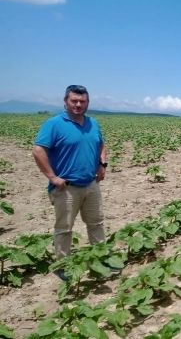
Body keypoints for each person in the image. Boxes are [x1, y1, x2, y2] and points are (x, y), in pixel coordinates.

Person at [33, 85, 108, 281]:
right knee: (64, 228)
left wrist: (102, 164)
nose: (78, 104)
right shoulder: (54, 124)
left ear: (87, 103)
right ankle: (63, 265)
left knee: (96, 223)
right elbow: (38, 150)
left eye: (82, 101)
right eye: (74, 101)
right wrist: (52, 177)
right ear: (65, 101)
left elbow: (101, 144)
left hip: (91, 184)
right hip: (66, 187)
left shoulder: (93, 123)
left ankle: (100, 257)